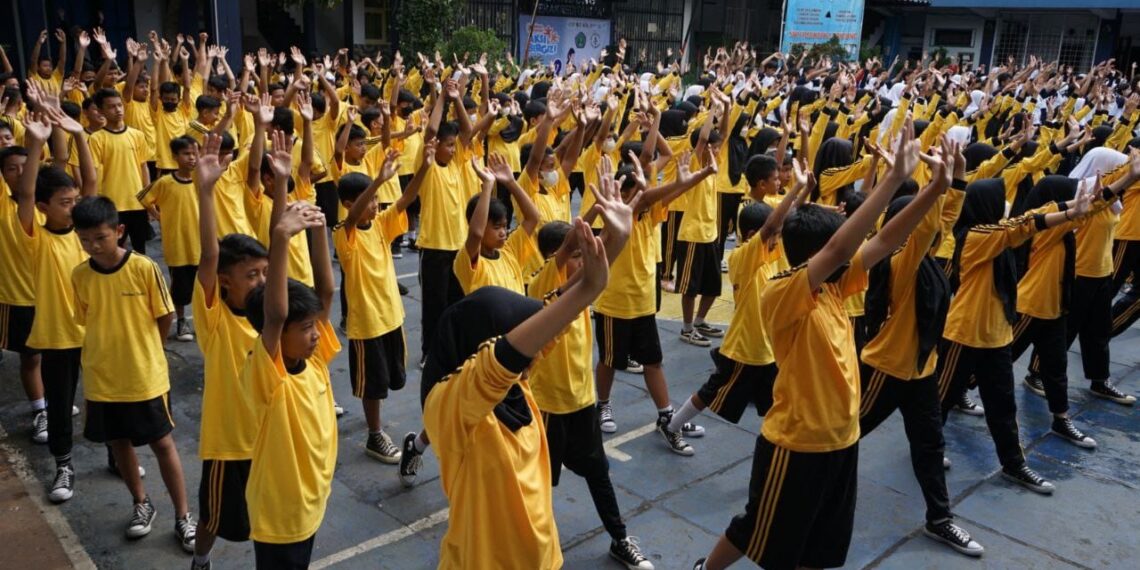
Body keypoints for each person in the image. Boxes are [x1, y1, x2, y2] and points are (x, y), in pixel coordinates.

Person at [695, 120, 929, 570]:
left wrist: (936, 188)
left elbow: (885, 238)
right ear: (817, 253)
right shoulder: (784, 290)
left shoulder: (836, 287)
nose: (848, 248)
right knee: (757, 529)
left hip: (842, 440)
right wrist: (893, 179)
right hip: (796, 444)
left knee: (821, 543)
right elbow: (841, 248)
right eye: (836, 244)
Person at [422, 218, 611, 569]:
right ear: (482, 344)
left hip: (543, 558)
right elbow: (502, 359)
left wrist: (615, 240)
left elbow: (556, 315)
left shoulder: (518, 385)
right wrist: (589, 289)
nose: (534, 354)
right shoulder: (454, 403)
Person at [858, 139, 984, 556]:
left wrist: (957, 175)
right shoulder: (902, 261)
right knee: (844, 435)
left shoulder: (925, 257)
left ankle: (940, 519)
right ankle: (803, 486)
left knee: (930, 445)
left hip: (921, 370)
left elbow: (943, 219)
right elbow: (930, 225)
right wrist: (936, 183)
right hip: (885, 368)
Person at [937, 175, 1095, 495]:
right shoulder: (975, 237)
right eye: (1000, 200)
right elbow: (1022, 226)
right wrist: (1068, 212)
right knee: (939, 399)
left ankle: (1014, 464)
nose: (1007, 204)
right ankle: (927, 448)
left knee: (1003, 407)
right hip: (964, 333)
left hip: (997, 335)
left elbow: (1027, 219)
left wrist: (1076, 206)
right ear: (987, 206)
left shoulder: (996, 234)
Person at [526, 172, 653, 570]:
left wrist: (618, 227)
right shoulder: (541, 284)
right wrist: (589, 219)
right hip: (547, 405)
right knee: (540, 485)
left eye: (584, 256)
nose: (581, 262)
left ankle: (620, 538)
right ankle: (536, 551)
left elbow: (599, 261)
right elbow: (568, 254)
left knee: (599, 473)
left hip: (581, 401)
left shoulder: (584, 287)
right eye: (575, 255)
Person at [71, 195, 196, 551]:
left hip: (144, 375)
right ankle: (141, 503)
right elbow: (85, 319)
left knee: (162, 443)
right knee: (119, 443)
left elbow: (164, 315)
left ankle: (183, 515)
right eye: (84, 239)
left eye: (100, 237)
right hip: (102, 378)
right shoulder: (79, 275)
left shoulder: (143, 268)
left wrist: (149, 349)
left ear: (119, 231)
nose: (93, 246)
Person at [242, 150, 339, 570]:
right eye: (305, 329)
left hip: (312, 501)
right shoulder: (269, 371)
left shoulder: (313, 359)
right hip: (281, 515)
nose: (316, 335)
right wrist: (280, 238)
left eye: (314, 327)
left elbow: (326, 292)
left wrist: (318, 228)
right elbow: (276, 314)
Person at [188, 132, 271, 570]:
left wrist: (282, 187)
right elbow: (208, 257)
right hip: (228, 441)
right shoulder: (216, 319)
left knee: (268, 517)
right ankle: (200, 560)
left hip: (269, 435)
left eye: (263, 273)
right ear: (225, 282)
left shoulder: (270, 315)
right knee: (214, 516)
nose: (260, 281)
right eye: (251, 275)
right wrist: (205, 193)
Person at [13, 103, 96, 503]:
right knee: (61, 405)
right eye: (65, 202)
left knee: (106, 400)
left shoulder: (85, 231)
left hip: (95, 331)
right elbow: (27, 191)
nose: (74, 206)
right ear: (44, 208)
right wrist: (35, 146)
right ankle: (64, 465)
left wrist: (78, 134)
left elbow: (91, 181)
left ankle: (118, 456)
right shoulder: (36, 237)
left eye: (75, 200)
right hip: (59, 336)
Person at [334, 145, 417, 464]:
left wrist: (424, 166)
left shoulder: (381, 224)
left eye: (376, 199)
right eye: (368, 200)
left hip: (391, 316)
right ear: (348, 204)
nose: (375, 204)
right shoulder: (344, 233)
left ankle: (375, 424)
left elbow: (407, 197)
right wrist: (378, 180)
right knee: (373, 385)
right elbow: (353, 218)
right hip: (367, 323)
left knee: (390, 379)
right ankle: (374, 434)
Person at [137, 135, 201, 341]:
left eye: (194, 153)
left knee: (205, 287)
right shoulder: (165, 182)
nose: (191, 158)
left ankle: (205, 322)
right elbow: (143, 197)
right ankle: (181, 321)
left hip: (201, 244)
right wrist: (158, 216)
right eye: (186, 154)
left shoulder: (203, 180)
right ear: (175, 156)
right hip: (178, 245)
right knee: (180, 287)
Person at [454, 153, 540, 295]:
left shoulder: (510, 251)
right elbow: (476, 234)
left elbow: (533, 218)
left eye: (504, 226)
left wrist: (511, 182)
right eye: (496, 227)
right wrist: (487, 186)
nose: (503, 232)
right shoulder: (470, 260)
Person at [89, 87, 152, 252]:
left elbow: (143, 167)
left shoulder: (137, 135)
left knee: (140, 250)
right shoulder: (96, 139)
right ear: (101, 111)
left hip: (137, 202)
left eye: (119, 105)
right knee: (112, 250)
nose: (117, 110)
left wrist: (148, 198)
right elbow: (93, 173)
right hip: (112, 204)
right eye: (111, 107)